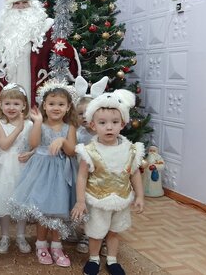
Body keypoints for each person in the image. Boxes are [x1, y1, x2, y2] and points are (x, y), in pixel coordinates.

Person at [71, 89, 145, 275]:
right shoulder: (90, 150)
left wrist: (140, 196)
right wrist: (80, 201)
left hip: (121, 199)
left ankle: (112, 260)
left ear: (123, 123)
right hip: (97, 199)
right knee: (96, 233)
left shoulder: (131, 149)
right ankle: (94, 259)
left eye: (114, 122)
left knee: (114, 231)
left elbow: (134, 173)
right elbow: (82, 176)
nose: (109, 127)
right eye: (103, 123)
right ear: (93, 125)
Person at [9, 80, 78, 267]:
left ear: (68, 107)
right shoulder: (38, 123)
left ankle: (56, 246)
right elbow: (33, 143)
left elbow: (71, 152)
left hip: (61, 173)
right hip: (41, 172)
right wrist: (38, 122)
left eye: (61, 104)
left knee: (58, 209)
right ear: (44, 106)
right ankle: (41, 245)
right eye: (52, 104)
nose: (56, 108)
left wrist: (63, 141)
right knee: (43, 210)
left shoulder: (69, 127)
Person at [0, 0, 81, 103]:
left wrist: (65, 51)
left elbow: (63, 53)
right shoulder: (1, 33)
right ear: (9, 7)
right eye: (16, 3)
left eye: (25, 2)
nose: (21, 7)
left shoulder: (46, 28)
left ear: (33, 4)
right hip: (8, 89)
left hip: (36, 87)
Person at [0, 83, 33, 254]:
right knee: (3, 202)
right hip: (5, 167)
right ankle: (5, 236)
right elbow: (4, 145)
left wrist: (30, 153)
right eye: (7, 103)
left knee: (21, 203)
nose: (11, 107)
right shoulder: (0, 123)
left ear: (24, 105)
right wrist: (18, 128)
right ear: (0, 105)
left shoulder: (29, 124)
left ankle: (21, 235)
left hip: (23, 167)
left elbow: (35, 145)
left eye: (16, 103)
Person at [73, 76, 108, 254]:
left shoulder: (102, 134)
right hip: (81, 175)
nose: (85, 118)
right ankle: (87, 234)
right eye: (81, 114)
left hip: (99, 177)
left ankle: (101, 238)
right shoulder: (77, 133)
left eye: (89, 113)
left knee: (100, 207)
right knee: (84, 204)